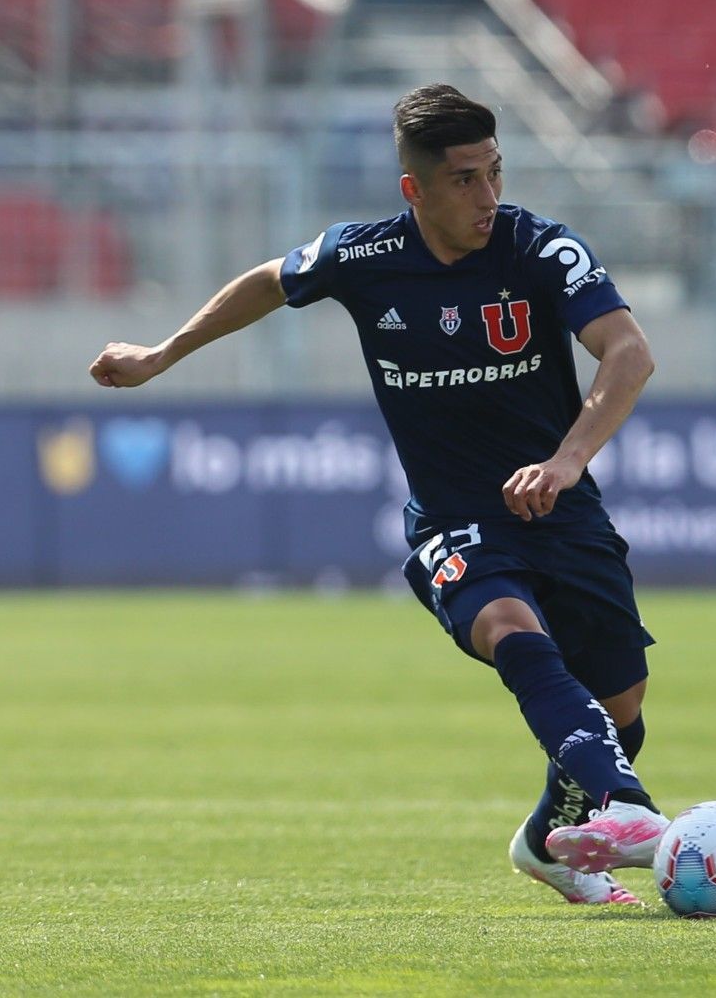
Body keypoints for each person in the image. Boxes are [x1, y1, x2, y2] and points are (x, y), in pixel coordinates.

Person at [89, 84, 671, 908]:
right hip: (454, 518)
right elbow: (267, 280)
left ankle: (548, 841)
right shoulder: (362, 257)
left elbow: (629, 352)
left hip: (560, 506)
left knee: (621, 703)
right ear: (415, 188)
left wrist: (569, 459)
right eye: (465, 179)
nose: (487, 196)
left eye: (495, 172)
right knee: (509, 628)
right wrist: (164, 352)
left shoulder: (540, 248)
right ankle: (627, 808)